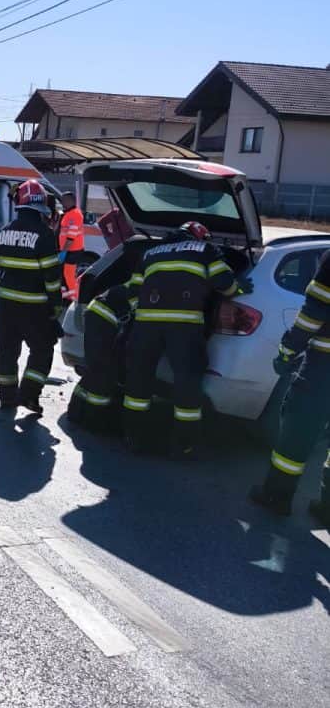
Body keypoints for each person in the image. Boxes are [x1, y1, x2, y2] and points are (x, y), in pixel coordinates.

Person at [122, 220, 251, 459]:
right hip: (183, 328)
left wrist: (139, 318)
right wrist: (239, 289)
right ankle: (184, 444)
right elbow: (226, 285)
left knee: (138, 381)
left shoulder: (150, 252)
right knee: (187, 384)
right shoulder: (205, 250)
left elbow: (133, 291)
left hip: (146, 326)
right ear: (198, 237)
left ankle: (133, 436)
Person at [249, 250, 330, 519]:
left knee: (298, 432)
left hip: (324, 368)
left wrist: (286, 352)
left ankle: (276, 497)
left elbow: (311, 315)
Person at [0, 178, 63, 420]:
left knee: (7, 352)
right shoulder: (44, 235)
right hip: (36, 309)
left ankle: (7, 398)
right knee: (42, 350)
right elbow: (53, 279)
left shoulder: (3, 233)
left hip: (6, 308)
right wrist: (56, 307)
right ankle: (29, 394)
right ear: (40, 207)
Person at [66, 282, 135, 431]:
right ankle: (94, 421)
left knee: (96, 369)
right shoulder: (153, 291)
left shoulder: (146, 281)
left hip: (100, 314)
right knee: (103, 373)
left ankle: (76, 412)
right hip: (103, 317)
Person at [58, 191, 85, 299]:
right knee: (65, 274)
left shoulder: (75, 214)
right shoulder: (69, 213)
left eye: (64, 200)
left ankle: (75, 297)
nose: (62, 202)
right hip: (69, 250)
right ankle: (67, 295)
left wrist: (63, 252)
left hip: (73, 250)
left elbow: (70, 237)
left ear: (70, 201)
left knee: (69, 274)